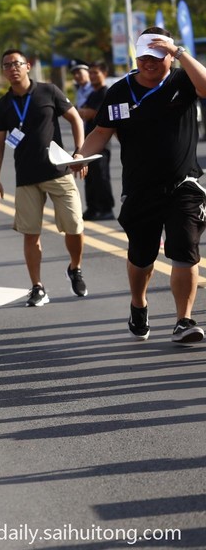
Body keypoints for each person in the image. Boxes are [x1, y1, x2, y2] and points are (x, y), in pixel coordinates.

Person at [77, 28, 206, 344]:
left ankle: (183, 319)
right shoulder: (119, 91)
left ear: (169, 57)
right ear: (137, 56)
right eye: (145, 56)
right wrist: (79, 156)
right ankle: (138, 303)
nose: (150, 62)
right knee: (141, 256)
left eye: (158, 56)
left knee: (185, 249)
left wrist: (179, 52)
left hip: (183, 183)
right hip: (140, 188)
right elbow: (101, 132)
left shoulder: (182, 81)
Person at [0, 49, 89, 307]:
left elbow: (75, 119)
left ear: (28, 66)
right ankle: (37, 286)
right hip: (26, 177)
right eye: (7, 65)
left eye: (17, 63)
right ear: (3, 71)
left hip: (58, 171)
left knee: (75, 226)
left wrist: (79, 152)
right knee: (30, 233)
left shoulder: (49, 91)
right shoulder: (2, 105)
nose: (12, 68)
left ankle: (75, 268)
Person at [77, 61, 115, 221]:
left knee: (101, 177)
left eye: (96, 73)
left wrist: (80, 112)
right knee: (90, 177)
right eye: (90, 73)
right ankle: (92, 208)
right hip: (89, 141)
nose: (92, 76)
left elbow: (91, 114)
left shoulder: (105, 92)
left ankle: (106, 209)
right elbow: (83, 112)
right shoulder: (93, 93)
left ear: (104, 74)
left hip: (101, 142)